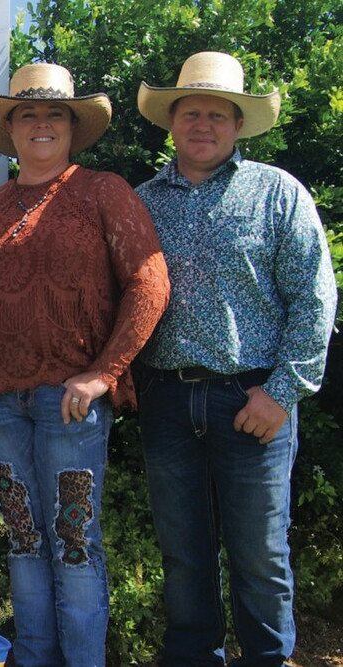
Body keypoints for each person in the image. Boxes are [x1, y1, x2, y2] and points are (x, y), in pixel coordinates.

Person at [0, 63, 170, 666]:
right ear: (11, 127)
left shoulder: (103, 191)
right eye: (28, 113)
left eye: (54, 113)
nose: (41, 123)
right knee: (24, 540)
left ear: (73, 126)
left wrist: (105, 372)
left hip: (69, 404)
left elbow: (150, 284)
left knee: (73, 542)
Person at [133, 51, 337, 666]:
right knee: (183, 551)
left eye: (217, 114)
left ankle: (268, 660)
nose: (203, 124)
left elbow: (315, 298)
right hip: (166, 400)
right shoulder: (140, 203)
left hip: (254, 399)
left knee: (259, 554)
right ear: (172, 122)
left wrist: (282, 392)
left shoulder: (278, 194)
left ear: (238, 124)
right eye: (191, 111)